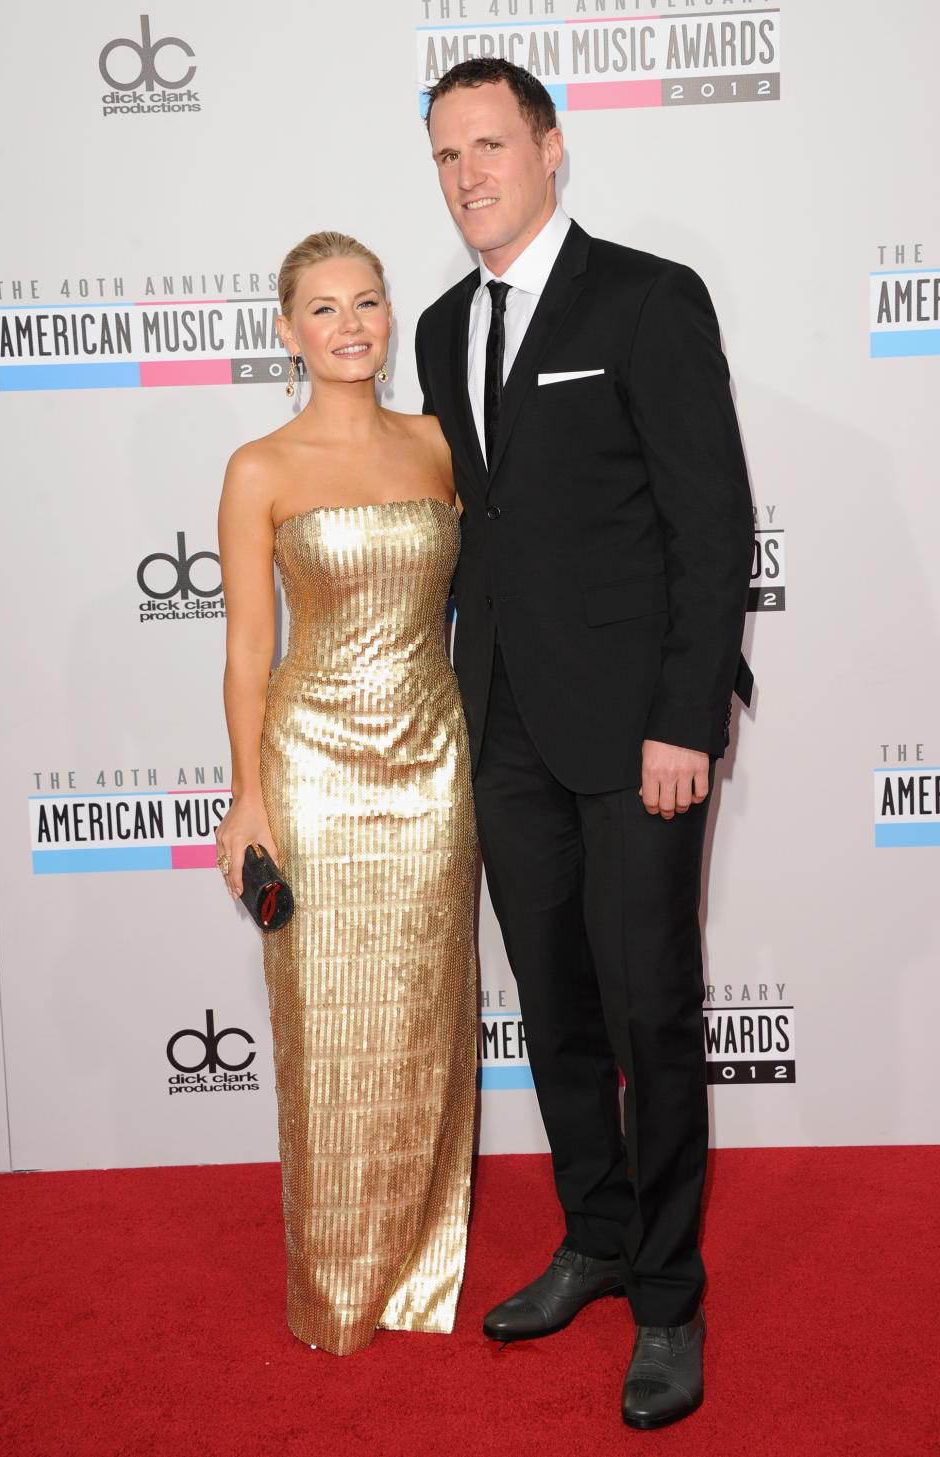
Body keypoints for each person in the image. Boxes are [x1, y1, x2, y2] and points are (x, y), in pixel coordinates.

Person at [417, 59, 753, 1429]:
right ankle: (598, 1234)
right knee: (553, 1010)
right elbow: (475, 538)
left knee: (651, 1016)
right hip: (502, 727)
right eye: (446, 155)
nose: (469, 174)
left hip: (638, 738)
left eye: (491, 144)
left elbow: (710, 520)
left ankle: (668, 1296)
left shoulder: (648, 298)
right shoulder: (442, 328)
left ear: (554, 150)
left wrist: (687, 717)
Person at [215, 231, 478, 1357]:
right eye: (322, 309)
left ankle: (425, 1261)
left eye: (366, 301)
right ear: (288, 332)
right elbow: (244, 648)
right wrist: (246, 799)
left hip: (431, 764)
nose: (350, 324)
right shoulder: (259, 468)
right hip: (312, 767)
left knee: (426, 1014)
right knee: (325, 1027)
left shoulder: (438, 443)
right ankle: (333, 1280)